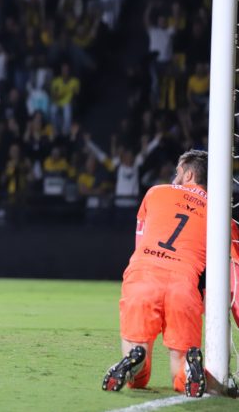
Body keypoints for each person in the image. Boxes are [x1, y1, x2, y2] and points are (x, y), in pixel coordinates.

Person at [101, 150, 237, 398]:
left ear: (189, 174)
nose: (174, 178)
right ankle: (189, 367)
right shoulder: (219, 212)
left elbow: (139, 242)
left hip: (142, 275)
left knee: (138, 378)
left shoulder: (155, 192)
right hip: (184, 283)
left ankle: (136, 359)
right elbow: (231, 268)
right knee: (179, 374)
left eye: (177, 173)